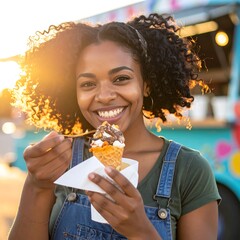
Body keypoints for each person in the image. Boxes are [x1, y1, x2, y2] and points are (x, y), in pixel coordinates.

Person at [9, 13, 221, 240]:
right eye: (88, 84)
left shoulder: (190, 170)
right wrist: (36, 186)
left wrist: (141, 231)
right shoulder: (59, 161)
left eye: (121, 78)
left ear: (146, 85)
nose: (104, 96)